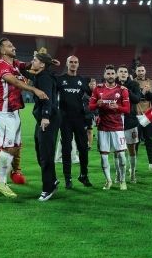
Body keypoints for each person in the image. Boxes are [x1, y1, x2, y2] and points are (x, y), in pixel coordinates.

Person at [0, 38, 48, 198]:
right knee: (8, 148)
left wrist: (47, 61)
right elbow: (15, 82)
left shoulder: (15, 64)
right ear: (3, 51)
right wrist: (34, 89)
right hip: (4, 112)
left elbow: (29, 66)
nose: (14, 47)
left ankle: (4, 180)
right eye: (10, 46)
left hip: (14, 111)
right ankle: (1, 183)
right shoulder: (1, 66)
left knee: (15, 148)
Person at [89, 65, 130, 190]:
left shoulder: (122, 90)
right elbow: (90, 106)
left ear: (115, 75)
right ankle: (108, 180)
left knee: (122, 155)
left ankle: (123, 180)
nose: (111, 76)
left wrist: (118, 107)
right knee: (104, 156)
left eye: (112, 73)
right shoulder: (98, 89)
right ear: (104, 75)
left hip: (117, 127)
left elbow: (127, 109)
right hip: (103, 127)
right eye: (108, 73)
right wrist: (97, 104)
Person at [57, 55, 92, 189]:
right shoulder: (60, 80)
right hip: (65, 120)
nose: (73, 64)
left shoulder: (82, 81)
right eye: (71, 62)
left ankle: (84, 175)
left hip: (79, 119)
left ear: (78, 64)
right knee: (66, 149)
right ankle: (68, 178)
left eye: (75, 62)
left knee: (83, 149)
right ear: (67, 63)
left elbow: (92, 95)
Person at [31, 53, 62, 201]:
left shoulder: (44, 78)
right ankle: (52, 180)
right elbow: (27, 73)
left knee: (46, 154)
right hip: (45, 118)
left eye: (35, 60)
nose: (32, 62)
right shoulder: (42, 75)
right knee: (41, 151)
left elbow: (47, 97)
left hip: (47, 119)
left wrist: (46, 116)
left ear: (42, 65)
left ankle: (48, 188)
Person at [115, 65, 141, 184]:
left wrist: (127, 90)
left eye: (125, 71)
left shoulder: (134, 84)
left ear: (127, 74)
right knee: (117, 150)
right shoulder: (113, 85)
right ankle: (118, 174)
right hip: (116, 122)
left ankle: (132, 174)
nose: (123, 73)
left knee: (131, 148)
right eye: (121, 71)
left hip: (130, 121)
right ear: (117, 74)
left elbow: (137, 99)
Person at [134, 64, 152, 171]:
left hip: (148, 116)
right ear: (136, 72)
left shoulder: (151, 82)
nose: (140, 72)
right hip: (135, 116)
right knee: (135, 142)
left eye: (142, 70)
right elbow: (132, 98)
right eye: (139, 71)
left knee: (149, 140)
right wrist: (142, 92)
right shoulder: (132, 83)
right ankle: (133, 165)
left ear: (145, 71)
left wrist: (148, 93)